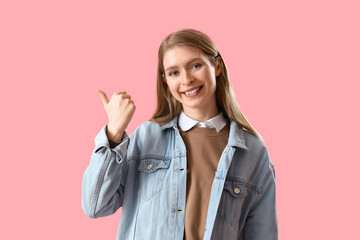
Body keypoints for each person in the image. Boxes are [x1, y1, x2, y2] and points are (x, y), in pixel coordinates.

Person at [82, 29, 278, 240]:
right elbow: (95, 206)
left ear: (217, 65)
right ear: (165, 79)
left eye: (195, 66)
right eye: (174, 72)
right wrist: (113, 133)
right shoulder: (146, 138)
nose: (186, 80)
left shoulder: (252, 152)